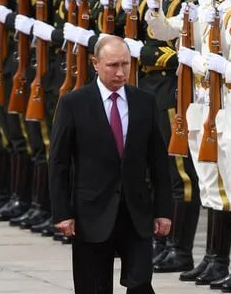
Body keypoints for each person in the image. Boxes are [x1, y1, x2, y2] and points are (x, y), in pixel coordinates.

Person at [49, 35, 172, 294]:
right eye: (113, 65)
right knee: (93, 286)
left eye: (125, 64)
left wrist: (163, 210)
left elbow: (159, 162)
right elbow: (59, 163)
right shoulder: (73, 103)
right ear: (95, 63)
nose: (120, 72)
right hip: (91, 213)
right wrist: (62, 212)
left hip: (136, 213)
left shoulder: (144, 102)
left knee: (140, 283)